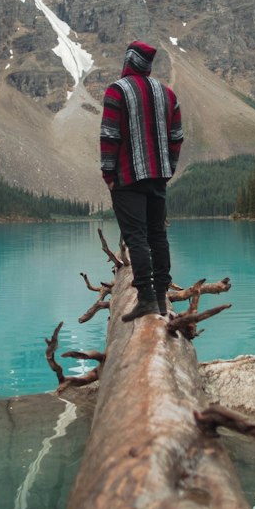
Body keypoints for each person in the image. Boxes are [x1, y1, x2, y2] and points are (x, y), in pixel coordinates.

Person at [100, 41, 184, 321]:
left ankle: (146, 299)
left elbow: (110, 136)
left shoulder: (117, 90)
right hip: (158, 176)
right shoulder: (167, 94)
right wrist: (167, 170)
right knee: (158, 235)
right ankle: (161, 297)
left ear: (128, 62)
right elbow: (176, 137)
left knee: (136, 237)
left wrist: (108, 175)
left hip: (128, 177)